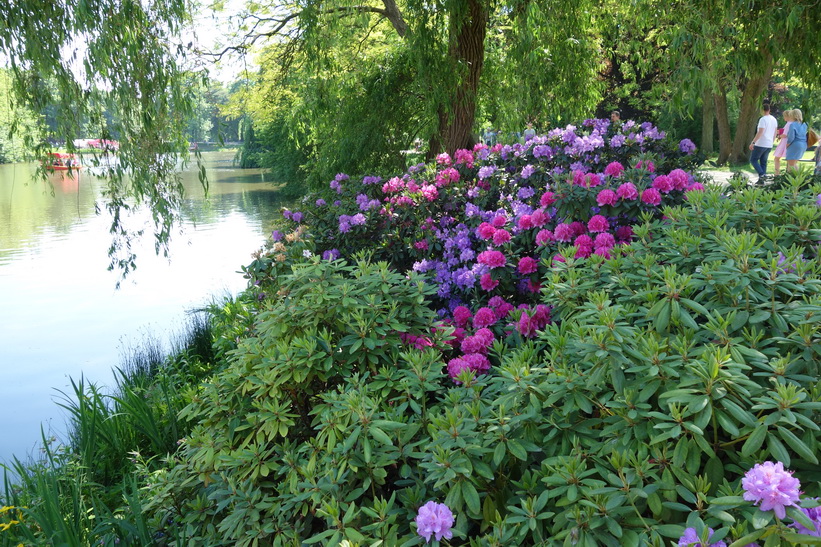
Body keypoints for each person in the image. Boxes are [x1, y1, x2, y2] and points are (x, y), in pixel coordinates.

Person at [749, 103, 778, 180]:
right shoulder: (774, 119)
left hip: (761, 143)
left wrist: (753, 142)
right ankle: (762, 179)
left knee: (753, 160)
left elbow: (760, 132)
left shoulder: (763, 119)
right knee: (763, 162)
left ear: (762, 110)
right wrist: (772, 141)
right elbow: (775, 132)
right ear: (769, 110)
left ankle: (762, 174)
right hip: (769, 144)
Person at [773, 109, 794, 176]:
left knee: (777, 158)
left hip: (784, 142)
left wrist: (779, 136)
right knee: (789, 159)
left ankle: (777, 173)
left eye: (784, 116)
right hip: (788, 142)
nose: (784, 117)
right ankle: (788, 174)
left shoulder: (788, 124)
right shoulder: (793, 124)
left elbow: (785, 134)